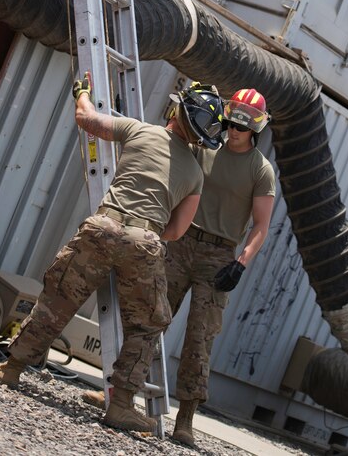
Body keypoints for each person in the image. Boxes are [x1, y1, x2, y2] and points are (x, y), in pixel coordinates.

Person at [0, 77, 224, 434]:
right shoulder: (195, 173)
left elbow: (87, 120)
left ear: (176, 110)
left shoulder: (139, 130)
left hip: (102, 226)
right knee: (150, 322)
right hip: (144, 239)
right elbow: (176, 231)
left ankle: (13, 367)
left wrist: (81, 92)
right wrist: (141, 235)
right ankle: (122, 405)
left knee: (60, 297)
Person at [83, 87, 276, 446]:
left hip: (219, 258)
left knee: (199, 339)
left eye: (242, 126)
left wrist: (241, 263)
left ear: (256, 129)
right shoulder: (203, 148)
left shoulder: (260, 171)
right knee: (148, 318)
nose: (234, 130)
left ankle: (184, 421)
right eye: (230, 122)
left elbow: (261, 227)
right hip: (180, 242)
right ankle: (119, 396)